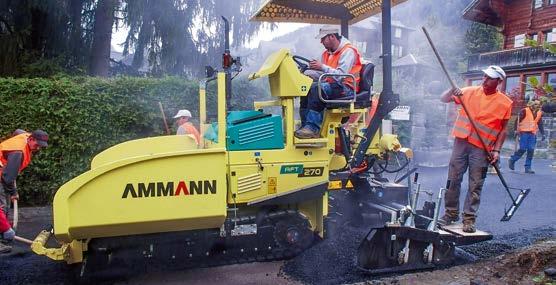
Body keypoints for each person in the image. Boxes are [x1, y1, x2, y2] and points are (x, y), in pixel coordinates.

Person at [439, 65, 513, 233]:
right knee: (453, 179)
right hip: (461, 142)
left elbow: (503, 129)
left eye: (490, 78)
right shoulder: (468, 91)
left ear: (499, 81)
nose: (485, 80)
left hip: (482, 148)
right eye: (484, 76)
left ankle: (469, 219)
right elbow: (443, 99)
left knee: (475, 184)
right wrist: (451, 90)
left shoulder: (505, 103)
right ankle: (450, 214)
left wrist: (497, 151)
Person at [295, 25, 362, 139]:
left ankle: (312, 128)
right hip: (333, 86)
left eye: (323, 39)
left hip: (347, 89)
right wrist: (307, 73)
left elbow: (341, 76)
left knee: (317, 89)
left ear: (331, 37)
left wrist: (322, 67)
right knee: (306, 89)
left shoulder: (348, 51)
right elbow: (324, 75)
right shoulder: (326, 54)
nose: (321, 42)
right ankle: (305, 126)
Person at [0, 129, 49, 253]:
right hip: (3, 176)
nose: (38, 148)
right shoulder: (18, 152)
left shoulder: (25, 136)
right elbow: (7, 178)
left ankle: (4, 234)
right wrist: (14, 192)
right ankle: (4, 234)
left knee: (4, 206)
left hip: (4, 173)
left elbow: (17, 131)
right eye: (37, 144)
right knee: (2, 207)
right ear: (31, 139)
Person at [508, 100, 545, 173]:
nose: (537, 106)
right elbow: (517, 121)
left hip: (532, 133)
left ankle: (528, 167)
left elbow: (540, 124)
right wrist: (515, 130)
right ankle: (512, 160)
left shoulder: (539, 113)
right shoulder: (524, 111)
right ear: (532, 104)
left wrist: (543, 133)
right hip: (524, 132)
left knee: (531, 150)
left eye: (538, 104)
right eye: (536, 104)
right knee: (523, 149)